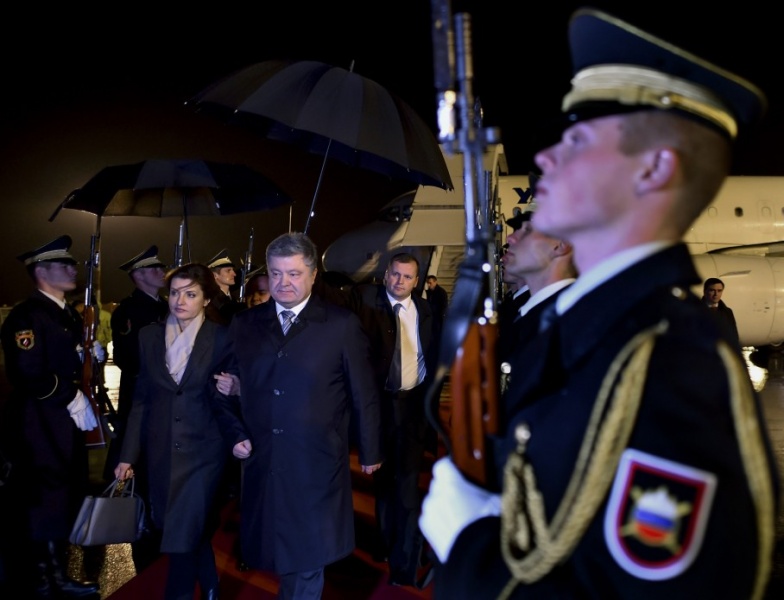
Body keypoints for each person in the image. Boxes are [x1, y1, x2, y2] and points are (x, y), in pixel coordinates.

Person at [419, 8, 781, 599]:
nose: (545, 158)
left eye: (578, 139)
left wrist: (471, 549)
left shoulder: (670, 364)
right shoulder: (589, 329)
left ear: (655, 168)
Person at [211, 232, 383, 600]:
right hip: (264, 459)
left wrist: (370, 450)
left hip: (317, 463)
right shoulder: (245, 324)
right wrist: (235, 433)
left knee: (308, 558)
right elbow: (221, 388)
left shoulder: (340, 325)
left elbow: (363, 392)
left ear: (313, 275)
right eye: (276, 274)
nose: (283, 283)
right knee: (280, 553)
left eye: (293, 274)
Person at [114, 263, 232, 600]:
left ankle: (177, 593)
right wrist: (127, 455)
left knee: (183, 528)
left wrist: (237, 387)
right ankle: (210, 585)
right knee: (179, 525)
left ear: (206, 299)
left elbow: (241, 388)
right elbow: (142, 400)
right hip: (161, 448)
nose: (180, 300)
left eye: (190, 294)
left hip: (204, 452)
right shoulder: (149, 336)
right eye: (175, 292)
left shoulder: (221, 338)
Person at [0, 235, 100, 599]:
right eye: (64, 264)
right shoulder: (27, 316)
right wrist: (69, 394)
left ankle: (58, 573)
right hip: (38, 423)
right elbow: (27, 372)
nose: (73, 269)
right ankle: (45, 579)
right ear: (41, 271)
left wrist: (89, 357)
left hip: (60, 423)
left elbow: (65, 359)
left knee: (63, 494)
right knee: (45, 498)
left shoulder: (66, 312)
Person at [351, 252, 439, 588]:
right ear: (386, 274)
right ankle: (388, 544)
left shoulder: (427, 310)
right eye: (395, 274)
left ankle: (405, 561)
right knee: (384, 483)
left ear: (416, 281)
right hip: (379, 408)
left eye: (407, 276)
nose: (400, 281)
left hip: (413, 408)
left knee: (407, 486)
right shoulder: (366, 305)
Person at [106, 245, 168, 571]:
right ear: (139, 275)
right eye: (155, 269)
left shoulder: (167, 306)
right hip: (143, 400)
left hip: (167, 402)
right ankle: (142, 529)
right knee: (140, 467)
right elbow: (128, 359)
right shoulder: (129, 311)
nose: (162, 272)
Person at [496, 205, 577, 405]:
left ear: (560, 246)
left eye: (528, 231)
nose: (511, 238)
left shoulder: (568, 322)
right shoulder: (536, 315)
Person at [207, 249, 245, 324]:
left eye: (233, 270)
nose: (234, 274)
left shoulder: (231, 297)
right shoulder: (214, 299)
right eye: (228, 271)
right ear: (215, 275)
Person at [702, 277, 740, 348]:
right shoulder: (694, 311)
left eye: (719, 291)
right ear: (705, 291)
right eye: (712, 290)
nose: (716, 294)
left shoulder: (727, 312)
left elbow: (734, 335)